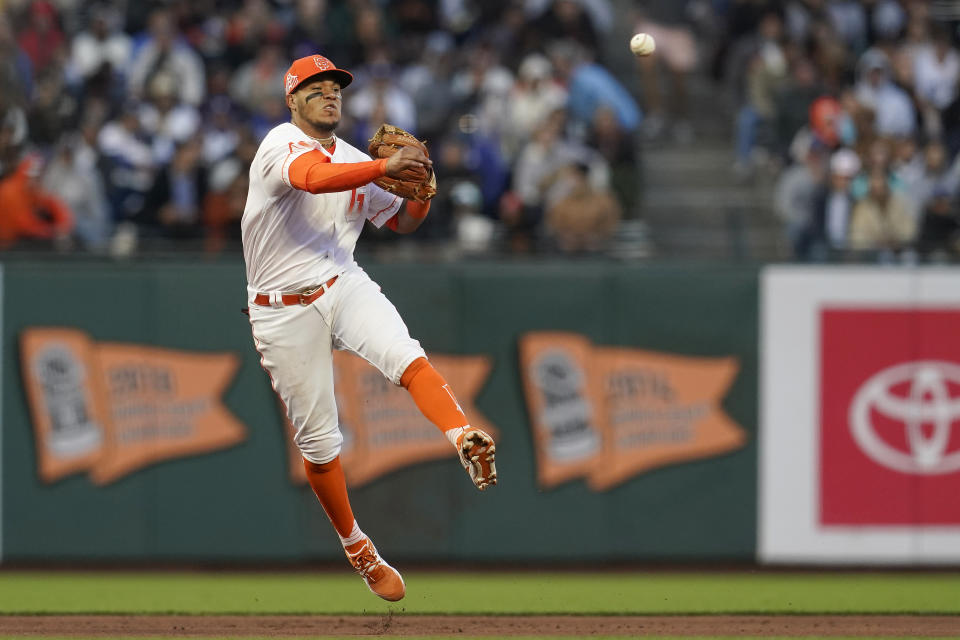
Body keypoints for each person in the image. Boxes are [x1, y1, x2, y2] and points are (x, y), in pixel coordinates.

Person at [241, 55, 497, 602]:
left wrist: (422, 191)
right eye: (315, 89)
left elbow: (401, 221)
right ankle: (357, 544)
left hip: (341, 279)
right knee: (319, 444)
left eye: (334, 88)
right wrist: (386, 169)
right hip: (280, 307)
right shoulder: (278, 145)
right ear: (293, 101)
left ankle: (461, 435)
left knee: (405, 354)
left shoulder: (357, 158)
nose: (329, 95)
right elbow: (312, 179)